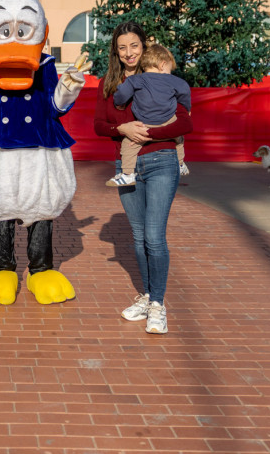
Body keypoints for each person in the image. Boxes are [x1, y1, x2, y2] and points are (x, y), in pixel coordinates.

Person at [92, 22, 193, 335]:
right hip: (128, 166)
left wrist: (148, 134)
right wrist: (122, 129)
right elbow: (99, 125)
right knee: (138, 236)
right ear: (115, 51)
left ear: (144, 46)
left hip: (162, 160)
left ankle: (159, 306)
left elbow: (184, 122)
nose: (128, 53)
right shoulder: (109, 84)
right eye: (122, 48)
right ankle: (148, 296)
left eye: (134, 46)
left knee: (153, 235)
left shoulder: (161, 79)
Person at [107, 44, 191, 187]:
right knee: (179, 138)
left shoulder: (136, 79)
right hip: (169, 120)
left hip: (145, 123)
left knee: (129, 144)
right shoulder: (175, 81)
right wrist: (187, 108)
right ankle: (181, 163)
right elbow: (184, 91)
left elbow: (121, 93)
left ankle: (127, 174)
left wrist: (119, 103)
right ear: (163, 64)